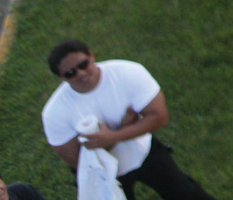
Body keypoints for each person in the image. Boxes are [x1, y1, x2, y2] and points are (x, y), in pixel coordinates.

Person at [41, 41, 215, 200]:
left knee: (185, 194)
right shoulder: (55, 112)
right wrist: (120, 131)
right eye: (71, 73)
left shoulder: (127, 73)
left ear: (91, 55)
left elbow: (159, 117)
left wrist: (111, 138)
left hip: (144, 151)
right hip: (104, 172)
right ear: (61, 78)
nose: (81, 73)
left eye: (83, 64)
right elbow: (77, 160)